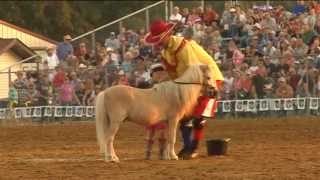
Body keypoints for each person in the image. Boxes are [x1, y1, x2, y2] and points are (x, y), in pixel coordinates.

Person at [144, 20, 224, 159]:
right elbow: (173, 75)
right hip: (189, 83)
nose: (158, 44)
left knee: (199, 116)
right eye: (157, 41)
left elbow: (195, 71)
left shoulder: (183, 46)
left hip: (207, 79)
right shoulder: (165, 53)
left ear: (169, 34)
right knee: (183, 115)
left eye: (160, 40)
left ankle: (193, 148)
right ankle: (187, 146)